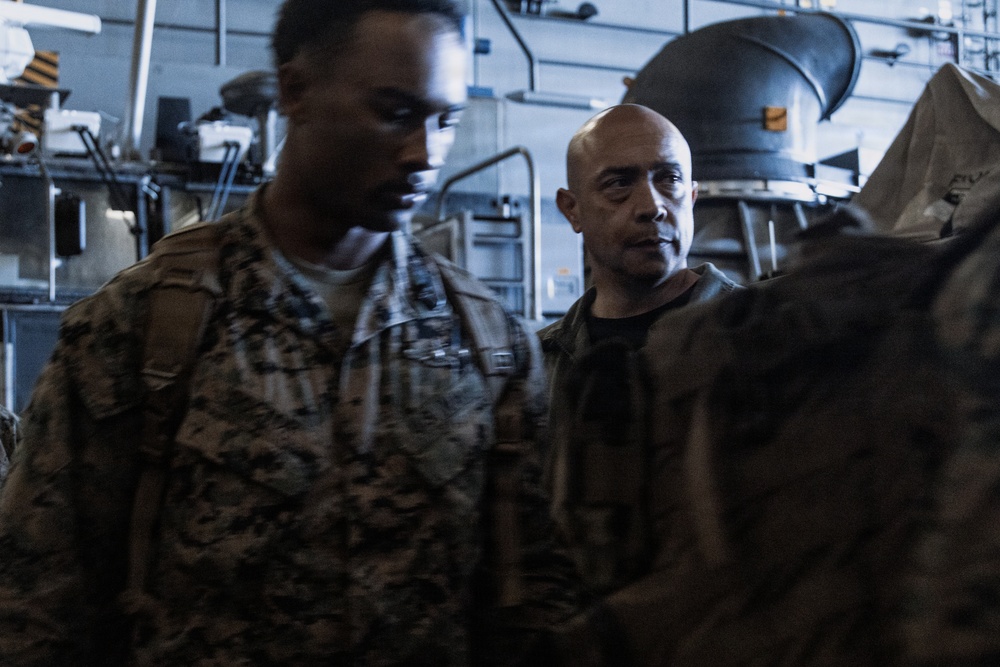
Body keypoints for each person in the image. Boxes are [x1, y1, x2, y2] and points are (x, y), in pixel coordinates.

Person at [0, 1, 580, 665]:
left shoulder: (488, 344)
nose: (425, 153)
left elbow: (533, 605)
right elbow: (36, 608)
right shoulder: (143, 328)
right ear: (296, 92)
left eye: (444, 120)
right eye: (394, 112)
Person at [537, 103, 741, 596]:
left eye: (669, 180)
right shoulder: (540, 368)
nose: (652, 205)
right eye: (617, 184)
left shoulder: (760, 339)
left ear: (691, 197)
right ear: (572, 209)